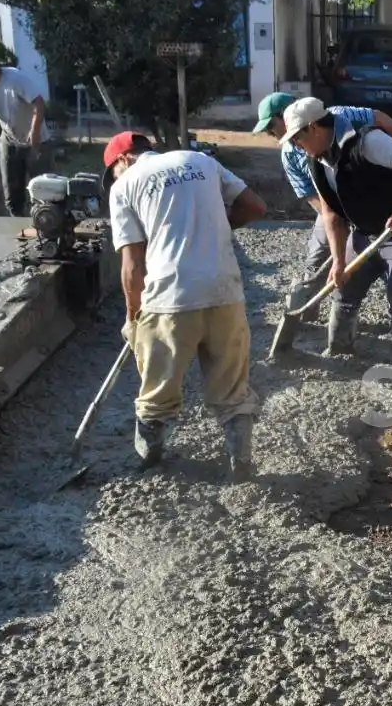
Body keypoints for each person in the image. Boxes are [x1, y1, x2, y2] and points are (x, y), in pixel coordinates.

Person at [105, 131, 269, 479]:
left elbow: (132, 265)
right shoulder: (200, 161)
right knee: (232, 391)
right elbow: (255, 206)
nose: (114, 179)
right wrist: (217, 228)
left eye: (113, 172)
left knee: (157, 393)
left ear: (123, 159)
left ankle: (151, 462)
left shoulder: (123, 187)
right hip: (225, 291)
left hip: (169, 299)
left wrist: (133, 316)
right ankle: (241, 464)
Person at [253, 92, 392, 351]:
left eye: (297, 137)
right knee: (342, 285)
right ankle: (338, 349)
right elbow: (329, 212)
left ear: (313, 128)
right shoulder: (312, 158)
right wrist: (339, 260)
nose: (294, 144)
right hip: (359, 220)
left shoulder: (365, 139)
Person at [0, 47, 52, 218]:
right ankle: (19, 229)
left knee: (45, 191)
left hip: (37, 140)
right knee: (12, 196)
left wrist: (35, 132)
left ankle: (48, 226)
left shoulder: (15, 78)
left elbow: (39, 104)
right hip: (9, 140)